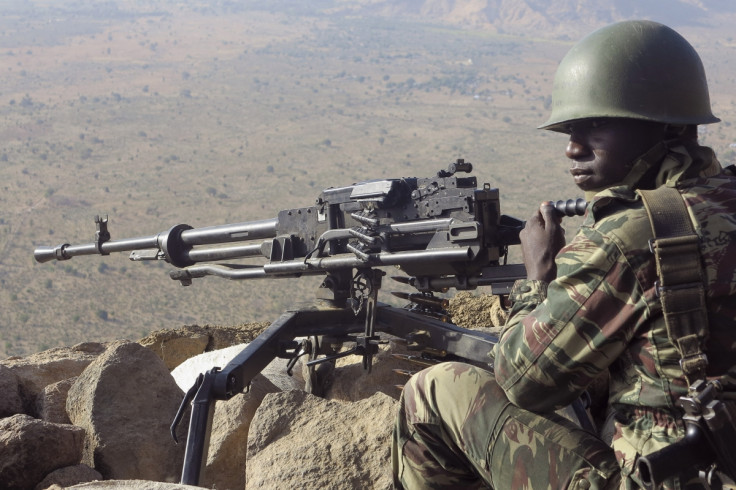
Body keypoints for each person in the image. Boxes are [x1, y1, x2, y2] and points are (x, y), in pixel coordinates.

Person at [392, 19, 736, 489]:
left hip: (671, 477)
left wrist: (538, 279)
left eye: (595, 125)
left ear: (666, 125)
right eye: (570, 130)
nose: (573, 147)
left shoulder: (632, 235)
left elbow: (524, 380)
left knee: (430, 394)